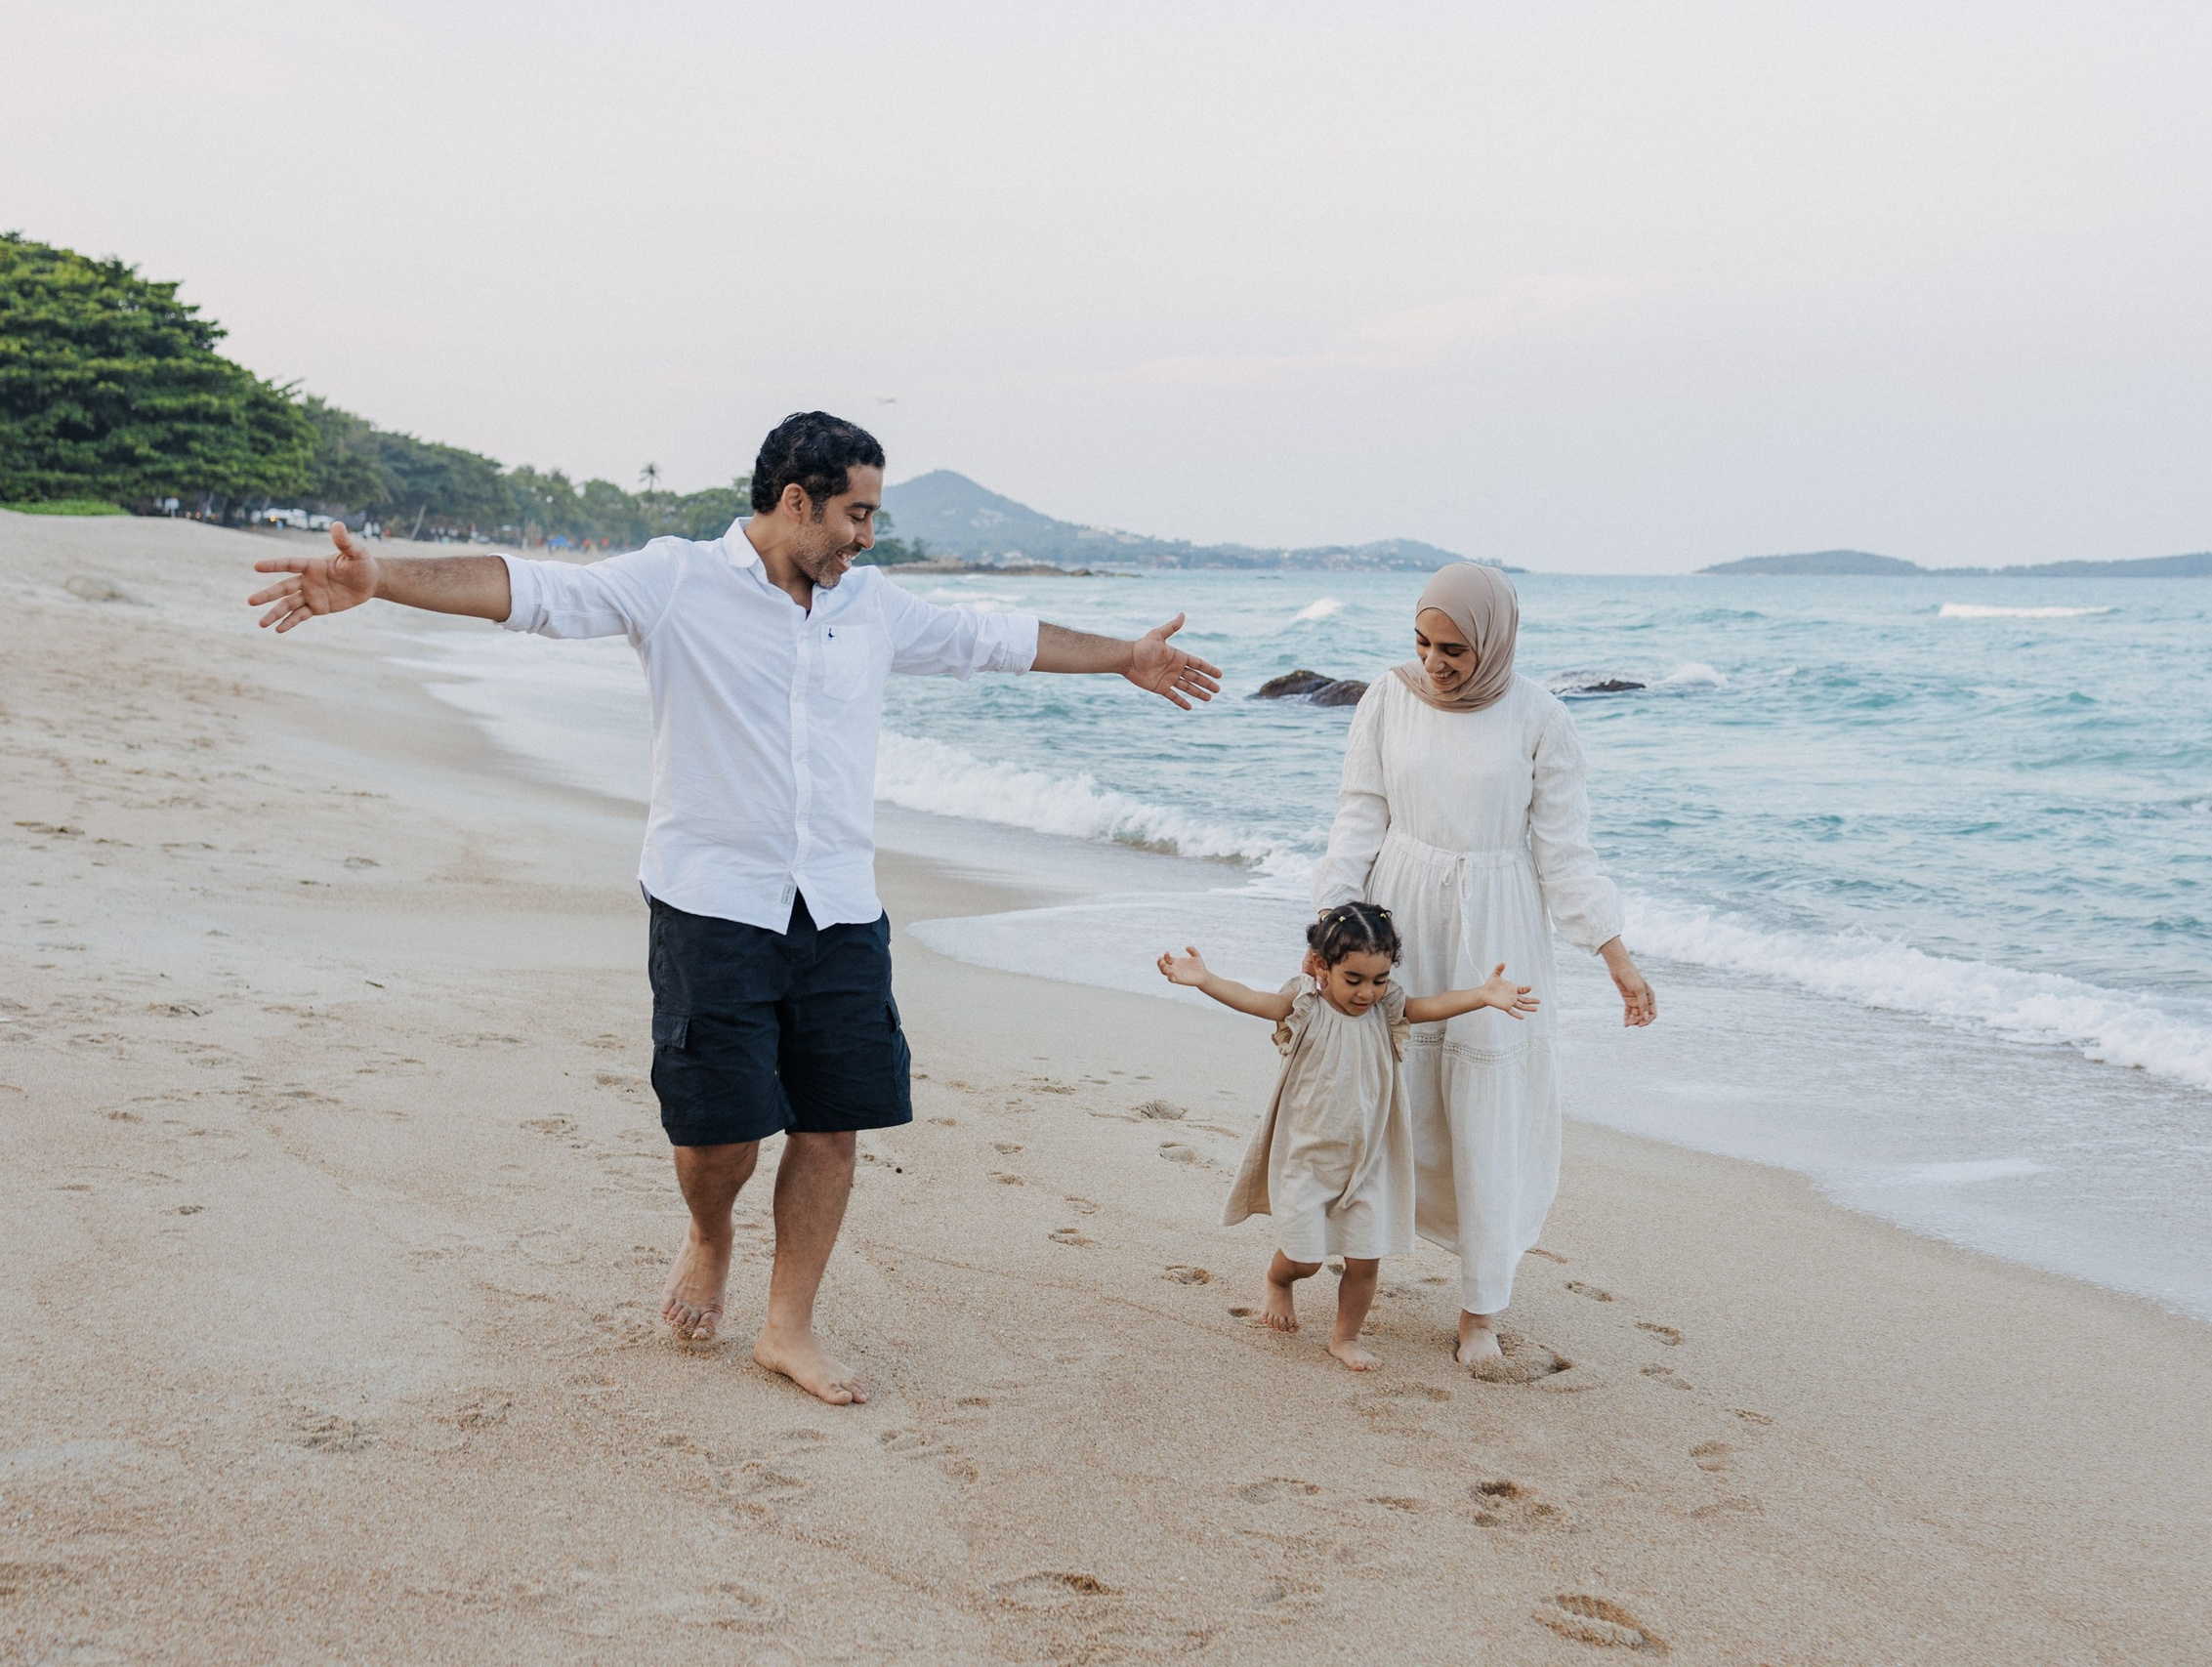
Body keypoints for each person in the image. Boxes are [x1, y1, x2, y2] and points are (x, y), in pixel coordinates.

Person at [247, 412, 1222, 1406]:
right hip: (713, 901)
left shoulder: (870, 606)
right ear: (795, 500)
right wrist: (382, 580)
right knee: (719, 1140)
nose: (866, 537)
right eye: (856, 513)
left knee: (834, 1123)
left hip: (838, 904)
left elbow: (998, 639)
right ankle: (709, 1234)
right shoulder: (674, 582)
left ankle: (787, 1328)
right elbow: (530, 591)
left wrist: (1124, 658)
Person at [1313, 563, 1654, 1369]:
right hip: (1398, 920)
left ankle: (1479, 1311)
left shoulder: (1542, 718)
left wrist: (1618, 958)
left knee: (1487, 1116)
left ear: (1494, 641)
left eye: (1455, 648)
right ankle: (1348, 1264)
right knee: (1385, 1102)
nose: (1435, 661)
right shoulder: (1388, 698)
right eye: (1424, 642)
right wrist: (1332, 925)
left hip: (1498, 928)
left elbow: (1565, 857)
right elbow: (1358, 816)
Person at [1154, 901, 1539, 1371]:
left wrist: (1482, 995)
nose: (1367, 992)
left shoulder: (1387, 1011)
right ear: (1321, 966)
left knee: (1364, 1261)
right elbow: (1251, 998)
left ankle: (1345, 1337)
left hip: (1368, 1162)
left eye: (1378, 980)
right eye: (1353, 979)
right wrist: (1206, 980)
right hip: (1307, 1160)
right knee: (1305, 1259)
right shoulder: (1305, 1008)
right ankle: (1278, 1281)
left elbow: (1430, 1007)